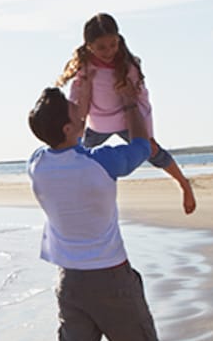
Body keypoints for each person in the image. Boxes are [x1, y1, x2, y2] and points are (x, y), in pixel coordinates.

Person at [27, 86, 160, 341]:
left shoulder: (37, 163)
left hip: (70, 283)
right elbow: (142, 143)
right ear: (69, 128)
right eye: (74, 106)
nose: (80, 105)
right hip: (110, 278)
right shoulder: (102, 163)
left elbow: (58, 139)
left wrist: (74, 106)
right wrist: (131, 102)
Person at [57, 12, 197, 215]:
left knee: (154, 152)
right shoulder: (85, 68)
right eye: (101, 47)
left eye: (113, 44)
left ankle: (184, 183)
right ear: (89, 46)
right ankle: (70, 197)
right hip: (98, 123)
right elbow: (78, 104)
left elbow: (142, 101)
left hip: (126, 120)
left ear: (119, 39)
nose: (108, 51)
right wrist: (78, 126)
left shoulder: (127, 66)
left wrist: (148, 135)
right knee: (75, 157)